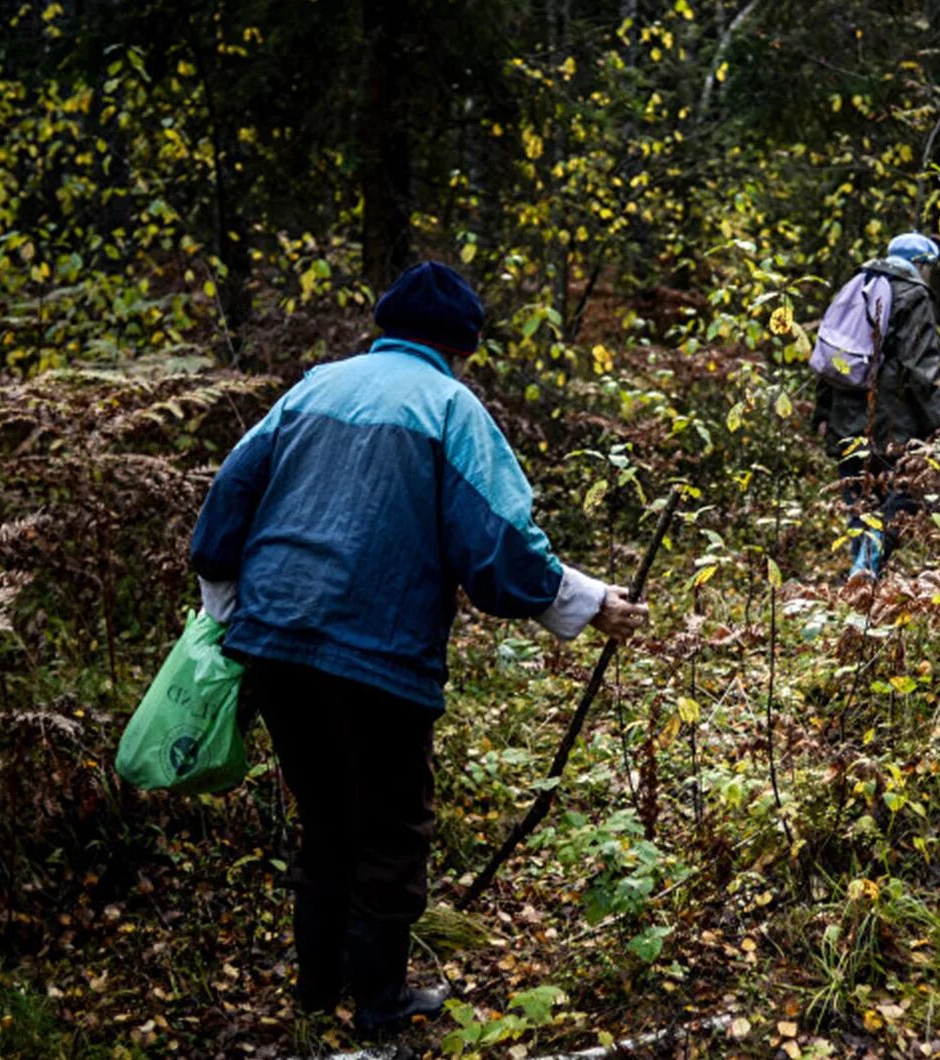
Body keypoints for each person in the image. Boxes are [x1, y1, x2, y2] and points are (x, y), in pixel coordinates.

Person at [188, 262, 647, 1035]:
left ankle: (313, 993)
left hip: (273, 638)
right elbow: (499, 546)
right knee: (392, 827)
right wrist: (589, 601)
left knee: (325, 816)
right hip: (378, 652)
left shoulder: (312, 387)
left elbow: (228, 496)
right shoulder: (450, 407)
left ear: (386, 325)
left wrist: (227, 603)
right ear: (461, 345)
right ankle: (378, 1006)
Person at [810, 232, 940, 586]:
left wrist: (822, 413)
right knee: (905, 496)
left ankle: (859, 580)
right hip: (892, 424)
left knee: (860, 502)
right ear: (921, 265)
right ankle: (866, 571)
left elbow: (833, 354)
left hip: (846, 418)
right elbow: (919, 370)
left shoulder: (857, 284)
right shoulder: (914, 295)